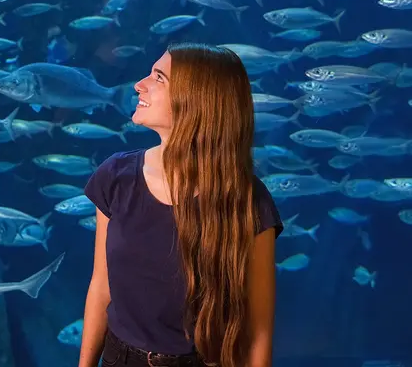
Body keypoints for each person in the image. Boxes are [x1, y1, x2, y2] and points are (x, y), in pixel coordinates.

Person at [79, 43, 283, 367]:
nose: (139, 84)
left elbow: (258, 328)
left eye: (158, 78)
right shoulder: (115, 177)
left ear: (196, 100)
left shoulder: (248, 201)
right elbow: (101, 286)